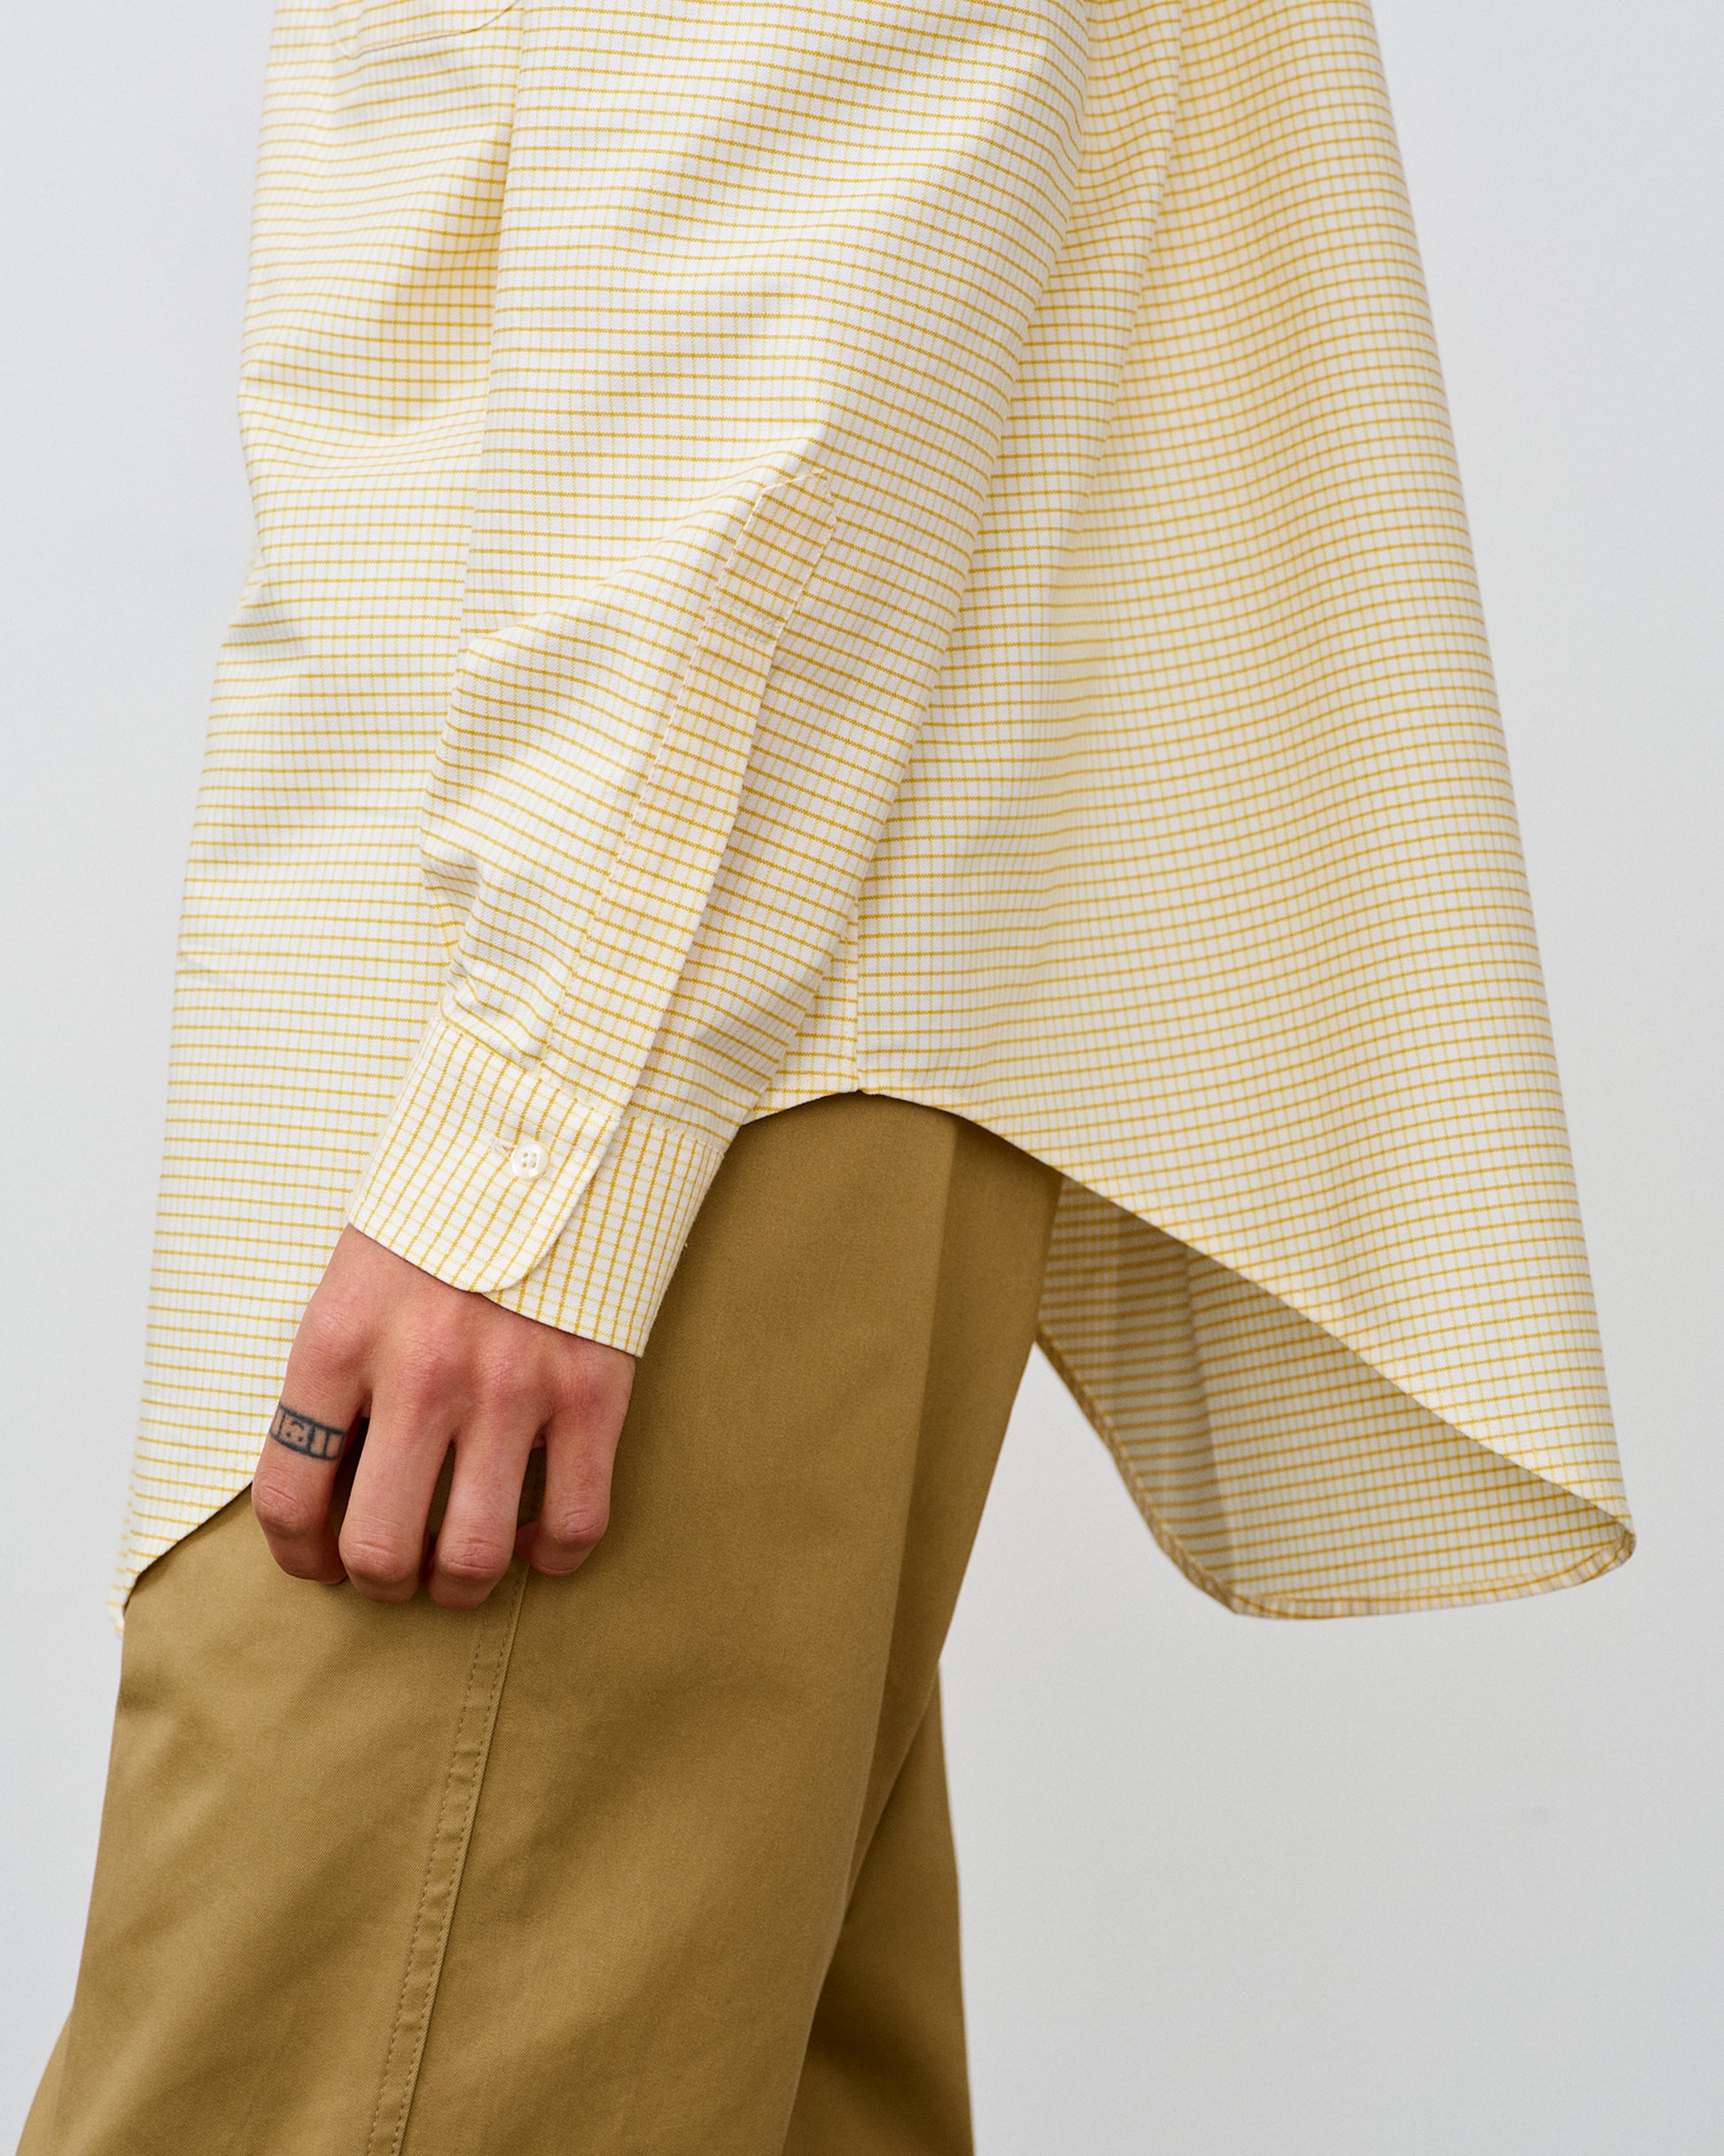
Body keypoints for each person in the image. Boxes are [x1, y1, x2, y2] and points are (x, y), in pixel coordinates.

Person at [21, 0, 1634, 2150]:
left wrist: (545, 1135)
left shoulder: (575, 1106)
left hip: (638, 1043)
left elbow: (815, 110)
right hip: (698, 987)